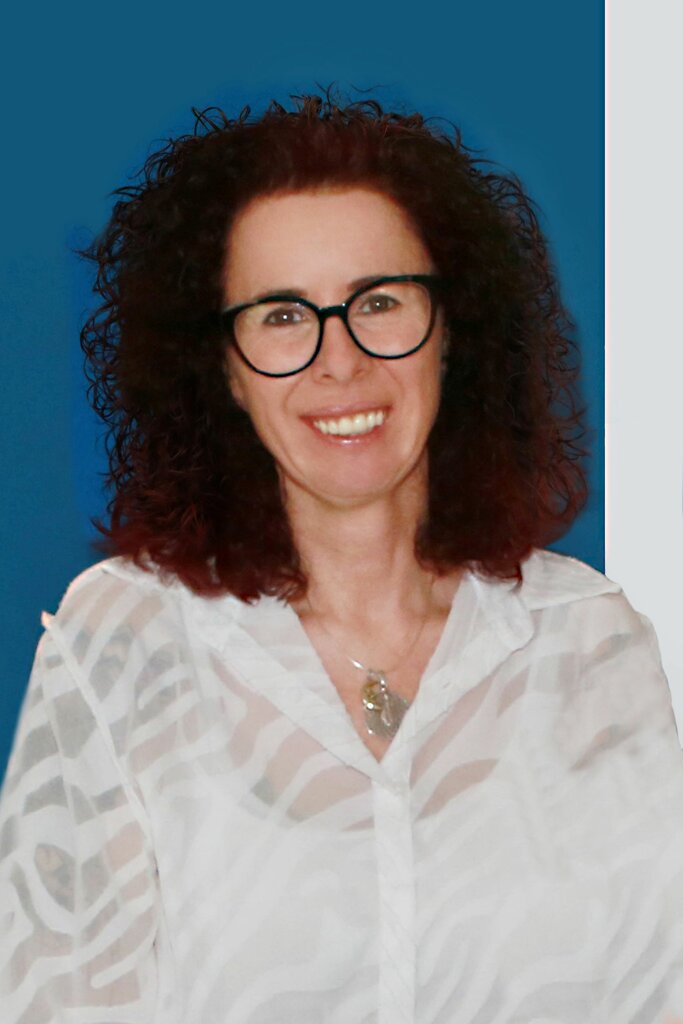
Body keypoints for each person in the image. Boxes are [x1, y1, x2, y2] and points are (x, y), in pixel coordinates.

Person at [1, 93, 682, 1024]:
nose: (339, 362)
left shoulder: (588, 640)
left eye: (380, 302)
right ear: (223, 368)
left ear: (452, 331)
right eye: (283, 314)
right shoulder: (119, 648)